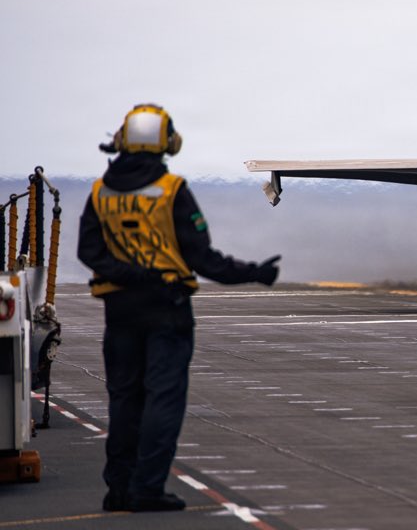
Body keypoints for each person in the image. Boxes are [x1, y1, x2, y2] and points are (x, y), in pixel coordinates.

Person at [78, 104, 280, 513]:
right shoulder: (171, 191)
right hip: (166, 311)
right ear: (168, 143)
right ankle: (147, 490)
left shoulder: (101, 192)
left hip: (119, 313)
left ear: (122, 140)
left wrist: (127, 273)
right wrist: (254, 272)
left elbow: (88, 251)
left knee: (123, 400)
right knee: (162, 402)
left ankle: (118, 489)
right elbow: (204, 260)